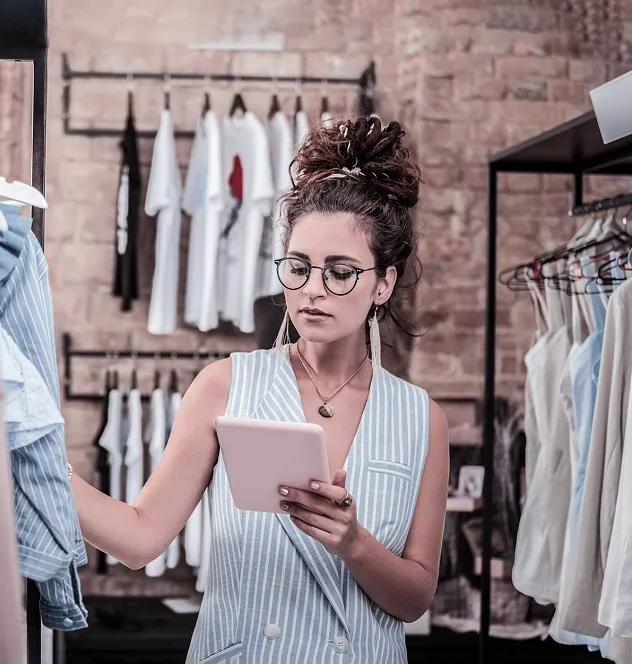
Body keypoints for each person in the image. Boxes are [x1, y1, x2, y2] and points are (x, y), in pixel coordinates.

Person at [68, 115, 450, 664]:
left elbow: (414, 598)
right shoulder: (225, 386)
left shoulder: (421, 418)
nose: (313, 291)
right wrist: (41, 464)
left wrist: (352, 542)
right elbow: (139, 538)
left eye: (340, 272)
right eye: (298, 267)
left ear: (383, 282)